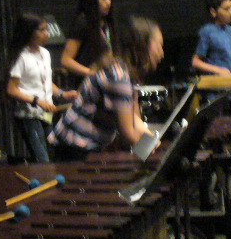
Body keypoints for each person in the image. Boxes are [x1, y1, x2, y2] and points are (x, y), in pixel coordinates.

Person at [49, 16, 164, 160]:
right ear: (141, 45)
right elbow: (128, 133)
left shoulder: (125, 71)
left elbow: (134, 119)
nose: (161, 53)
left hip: (79, 146)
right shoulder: (118, 76)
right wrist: (154, 156)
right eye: (158, 45)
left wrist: (154, 141)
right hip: (74, 148)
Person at [6, 13, 78, 163]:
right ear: (29, 32)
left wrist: (63, 94)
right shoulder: (21, 58)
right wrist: (37, 101)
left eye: (47, 29)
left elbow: (45, 82)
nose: (47, 33)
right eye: (42, 30)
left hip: (46, 113)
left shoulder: (45, 54)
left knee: (53, 156)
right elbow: (12, 89)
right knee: (42, 159)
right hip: (29, 115)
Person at [61, 0, 116, 88]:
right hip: (84, 85)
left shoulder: (106, 23)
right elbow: (66, 60)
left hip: (102, 83)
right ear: (92, 0)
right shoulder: (83, 22)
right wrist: (92, 73)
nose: (108, 2)